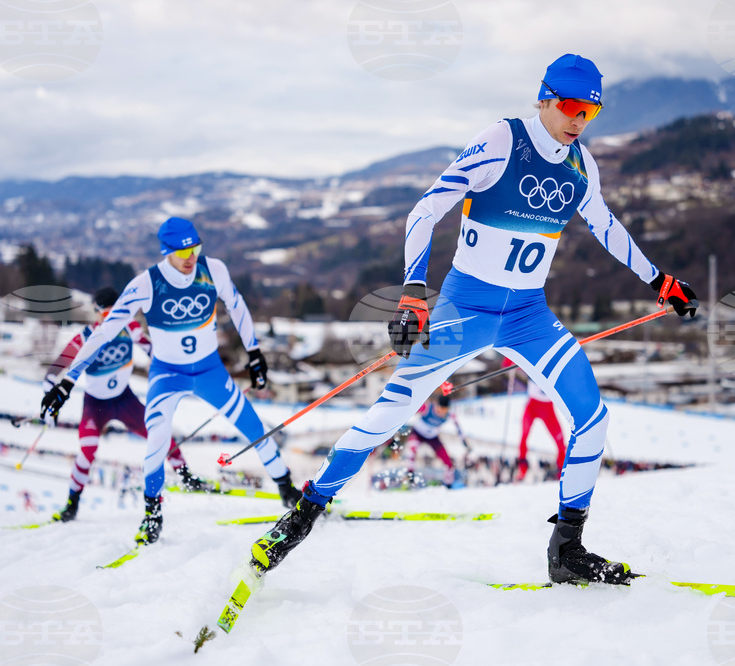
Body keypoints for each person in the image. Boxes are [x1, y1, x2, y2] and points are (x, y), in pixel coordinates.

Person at [250, 53, 697, 586]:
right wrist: (415, 292)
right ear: (546, 99)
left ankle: (567, 549)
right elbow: (424, 211)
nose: (579, 119)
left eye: (591, 111)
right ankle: (300, 517)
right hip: (466, 309)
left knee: (591, 417)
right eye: (573, 106)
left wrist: (659, 280)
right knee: (388, 414)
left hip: (529, 315)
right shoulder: (504, 140)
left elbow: (605, 225)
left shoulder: (582, 165)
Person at [41, 217, 302, 545]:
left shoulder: (214, 270)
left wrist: (254, 352)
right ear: (166, 252)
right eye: (182, 252)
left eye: (195, 248)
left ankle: (286, 487)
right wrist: (67, 382)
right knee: (157, 439)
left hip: (210, 372)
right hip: (168, 375)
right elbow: (104, 333)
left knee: (253, 426)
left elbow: (237, 306)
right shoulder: (146, 284)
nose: (190, 257)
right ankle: (152, 514)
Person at [42, 287, 205, 523]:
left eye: (113, 313)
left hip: (124, 399)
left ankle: (187, 476)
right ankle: (72, 505)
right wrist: (50, 399)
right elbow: (55, 370)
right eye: (103, 314)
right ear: (96, 312)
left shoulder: (129, 326)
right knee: (87, 450)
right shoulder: (86, 336)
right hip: (95, 405)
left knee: (158, 432)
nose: (108, 319)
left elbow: (152, 350)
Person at [501, 357, 566, 482]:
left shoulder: (555, 366)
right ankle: (522, 470)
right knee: (524, 436)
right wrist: (510, 360)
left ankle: (562, 471)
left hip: (548, 410)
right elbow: (507, 363)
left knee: (560, 441)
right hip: (532, 407)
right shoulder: (533, 362)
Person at [403, 386, 464, 489]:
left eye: (445, 409)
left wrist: (463, 440)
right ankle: (410, 477)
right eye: (441, 408)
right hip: (418, 433)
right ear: (437, 405)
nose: (442, 412)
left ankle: (448, 484)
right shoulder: (428, 408)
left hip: (433, 438)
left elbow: (458, 426)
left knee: (447, 461)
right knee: (411, 451)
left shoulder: (449, 414)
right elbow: (410, 411)